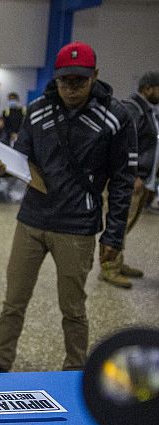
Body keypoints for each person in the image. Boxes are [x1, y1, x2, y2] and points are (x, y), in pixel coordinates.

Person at [0, 42, 136, 373]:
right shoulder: (37, 111)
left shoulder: (116, 117)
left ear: (94, 76)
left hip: (77, 227)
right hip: (31, 221)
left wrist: (114, 235)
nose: (70, 88)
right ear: (56, 77)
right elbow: (20, 158)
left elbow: (123, 181)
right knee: (14, 302)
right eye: (65, 81)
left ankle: (75, 369)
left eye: (79, 81)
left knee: (73, 307)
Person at [99, 71, 159, 288]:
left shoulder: (148, 111)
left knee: (126, 223)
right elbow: (124, 143)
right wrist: (133, 175)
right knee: (119, 221)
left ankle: (117, 260)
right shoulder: (134, 109)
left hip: (143, 180)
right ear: (148, 88)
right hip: (131, 179)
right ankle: (109, 268)